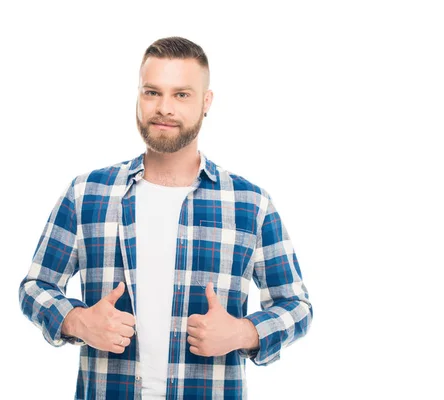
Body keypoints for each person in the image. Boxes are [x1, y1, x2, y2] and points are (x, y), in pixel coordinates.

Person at [18, 36, 313, 400]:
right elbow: (35, 285)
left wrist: (243, 333)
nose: (164, 108)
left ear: (206, 102)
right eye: (152, 92)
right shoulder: (86, 194)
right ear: (138, 97)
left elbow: (296, 306)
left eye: (182, 95)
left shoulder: (250, 204)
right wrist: (76, 321)